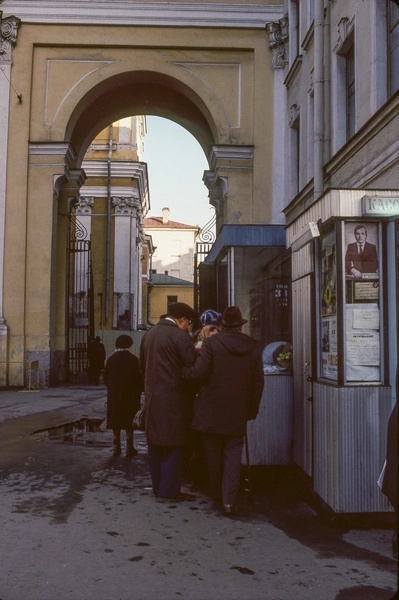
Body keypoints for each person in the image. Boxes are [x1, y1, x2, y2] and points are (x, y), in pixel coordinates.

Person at [183, 306, 264, 515]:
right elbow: (258, 383)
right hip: (237, 411)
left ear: (222, 325)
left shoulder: (211, 343)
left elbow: (200, 373)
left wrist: (185, 373)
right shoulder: (253, 346)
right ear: (240, 325)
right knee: (233, 457)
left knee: (214, 457)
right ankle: (229, 501)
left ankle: (217, 497)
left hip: (210, 409)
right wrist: (251, 410)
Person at [139, 301, 198, 500]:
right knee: (173, 445)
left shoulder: (149, 334)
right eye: (187, 323)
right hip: (174, 400)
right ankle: (169, 492)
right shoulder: (179, 336)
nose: (188, 327)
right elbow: (193, 367)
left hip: (152, 398)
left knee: (155, 445)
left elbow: (142, 367)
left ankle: (158, 488)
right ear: (181, 320)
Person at [103, 334, 143, 457]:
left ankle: (116, 446)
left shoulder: (111, 359)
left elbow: (105, 378)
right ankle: (129, 447)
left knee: (115, 420)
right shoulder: (133, 359)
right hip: (130, 395)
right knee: (129, 420)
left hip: (114, 395)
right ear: (129, 346)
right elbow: (138, 378)